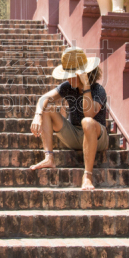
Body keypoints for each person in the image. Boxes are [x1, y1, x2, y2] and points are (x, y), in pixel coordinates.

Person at [29, 47, 108, 190]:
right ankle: (49, 157)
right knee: (47, 107)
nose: (67, 78)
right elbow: (44, 98)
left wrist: (86, 86)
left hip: (97, 137)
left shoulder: (98, 90)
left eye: (71, 74)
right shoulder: (68, 87)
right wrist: (37, 116)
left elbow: (89, 114)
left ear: (83, 74)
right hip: (74, 134)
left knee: (87, 122)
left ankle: (87, 177)